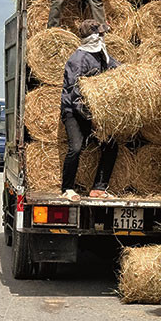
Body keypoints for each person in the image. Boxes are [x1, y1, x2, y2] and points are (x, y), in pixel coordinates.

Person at [60, 19, 119, 201]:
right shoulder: (77, 60)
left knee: (111, 145)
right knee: (76, 147)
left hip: (94, 113)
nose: (103, 37)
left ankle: (99, 188)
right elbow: (75, 95)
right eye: (100, 34)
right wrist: (90, 117)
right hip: (74, 111)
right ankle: (67, 188)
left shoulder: (102, 56)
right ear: (92, 37)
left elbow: (117, 70)